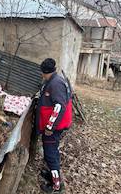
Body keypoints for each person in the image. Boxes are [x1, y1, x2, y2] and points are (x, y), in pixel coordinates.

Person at [35, 58, 73, 193]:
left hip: (55, 127)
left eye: (42, 73)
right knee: (52, 150)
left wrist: (50, 127)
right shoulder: (53, 80)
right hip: (55, 125)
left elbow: (59, 106)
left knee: (50, 154)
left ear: (45, 72)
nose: (42, 75)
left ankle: (56, 186)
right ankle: (52, 175)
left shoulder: (55, 84)